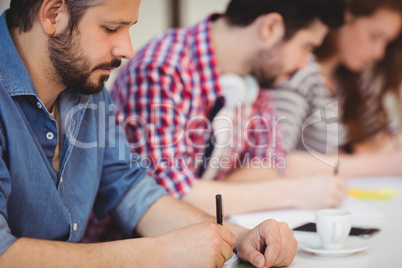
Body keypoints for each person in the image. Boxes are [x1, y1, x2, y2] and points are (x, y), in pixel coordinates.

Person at [0, 0, 299, 267]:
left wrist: (239, 237)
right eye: (111, 28)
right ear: (53, 14)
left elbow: (131, 189)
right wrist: (158, 254)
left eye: (128, 28)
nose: (127, 50)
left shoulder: (87, 90)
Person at [109, 0, 348, 218]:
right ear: (271, 28)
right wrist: (294, 192)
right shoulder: (160, 70)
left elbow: (269, 163)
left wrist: (202, 194)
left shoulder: (257, 76)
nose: (304, 63)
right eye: (306, 47)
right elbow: (166, 201)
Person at [270, 0, 402, 178]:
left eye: (386, 42)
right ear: (345, 20)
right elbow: (274, 161)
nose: (379, 52)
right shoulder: (301, 72)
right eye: (374, 36)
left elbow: (379, 143)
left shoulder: (351, 81)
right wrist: (374, 164)